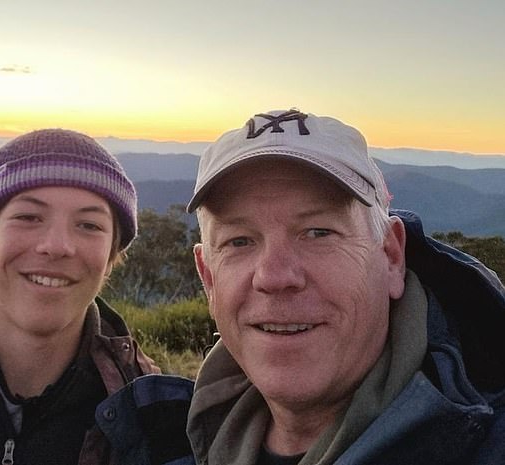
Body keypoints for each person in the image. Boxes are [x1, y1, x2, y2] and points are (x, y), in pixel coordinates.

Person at [185, 108, 505, 465]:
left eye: (319, 233)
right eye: (239, 241)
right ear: (208, 277)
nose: (274, 277)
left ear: (391, 256)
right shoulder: (162, 435)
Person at [0, 129, 194, 465]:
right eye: (28, 217)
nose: (56, 246)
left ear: (111, 256)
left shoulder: (155, 415)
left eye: (88, 225)